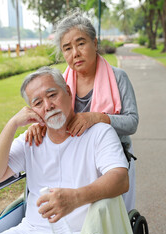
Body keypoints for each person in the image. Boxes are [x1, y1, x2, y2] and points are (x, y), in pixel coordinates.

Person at [0, 66, 130, 234]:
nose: (48, 106)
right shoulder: (31, 139)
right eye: (38, 103)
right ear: (31, 110)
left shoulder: (99, 133)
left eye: (52, 95)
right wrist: (12, 125)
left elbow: (120, 179)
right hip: (30, 231)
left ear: (67, 91)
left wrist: (75, 198)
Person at [26, 12, 139, 212]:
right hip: (76, 161)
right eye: (67, 48)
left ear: (94, 43)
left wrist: (97, 118)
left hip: (113, 160)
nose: (75, 53)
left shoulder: (118, 77)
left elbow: (132, 122)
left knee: (112, 218)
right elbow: (52, 113)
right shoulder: (60, 83)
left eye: (80, 43)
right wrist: (40, 125)